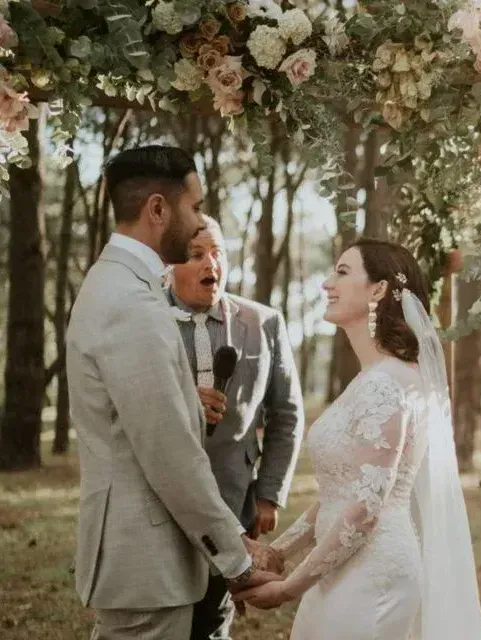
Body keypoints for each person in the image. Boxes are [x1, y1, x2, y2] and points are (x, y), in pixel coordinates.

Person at [66, 146, 278, 639]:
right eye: (196, 206)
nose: (201, 218)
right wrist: (236, 559)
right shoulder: (130, 302)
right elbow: (171, 454)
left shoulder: (122, 285)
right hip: (146, 566)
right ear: (158, 209)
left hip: (144, 563)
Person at [235, 239, 481, 639]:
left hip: (372, 574)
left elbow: (366, 506)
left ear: (378, 289)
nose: (327, 283)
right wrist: (279, 551)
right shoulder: (373, 379)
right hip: (341, 566)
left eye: (342, 271)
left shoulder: (387, 384)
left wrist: (289, 587)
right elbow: (341, 490)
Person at [167, 215, 304, 640]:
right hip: (164, 501)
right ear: (169, 264)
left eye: (217, 252)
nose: (211, 263)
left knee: (213, 620)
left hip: (233, 500)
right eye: (196, 254)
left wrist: (269, 493)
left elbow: (286, 413)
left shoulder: (263, 322)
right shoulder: (145, 319)